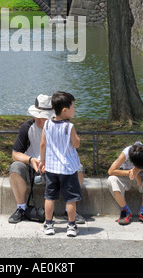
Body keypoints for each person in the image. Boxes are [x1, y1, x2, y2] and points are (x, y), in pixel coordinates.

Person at [8, 94, 85, 224]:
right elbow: (15, 154)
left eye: (42, 117)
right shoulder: (27, 127)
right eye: (36, 116)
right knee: (15, 168)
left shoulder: (63, 127)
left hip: (58, 167)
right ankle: (21, 208)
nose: (38, 120)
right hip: (33, 167)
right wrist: (31, 160)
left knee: (78, 169)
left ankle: (70, 210)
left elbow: (72, 150)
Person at [39, 91, 82, 237]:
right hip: (68, 168)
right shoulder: (69, 127)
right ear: (65, 110)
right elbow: (75, 144)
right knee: (70, 198)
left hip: (51, 167)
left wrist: (42, 161)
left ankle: (49, 224)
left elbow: (43, 144)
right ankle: (71, 225)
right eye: (73, 107)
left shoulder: (47, 124)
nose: (74, 109)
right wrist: (78, 139)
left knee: (49, 196)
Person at [107, 141, 143, 226]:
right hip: (125, 176)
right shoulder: (127, 153)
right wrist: (131, 172)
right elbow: (111, 171)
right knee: (112, 180)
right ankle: (125, 210)